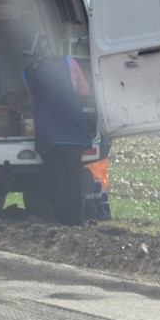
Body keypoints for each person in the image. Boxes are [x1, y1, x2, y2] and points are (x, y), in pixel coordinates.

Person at [20, 30, 93, 225]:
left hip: (49, 133)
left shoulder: (28, 74)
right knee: (72, 176)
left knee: (56, 177)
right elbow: (85, 91)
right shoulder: (69, 62)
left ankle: (62, 220)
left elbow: (30, 102)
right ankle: (76, 220)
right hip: (74, 128)